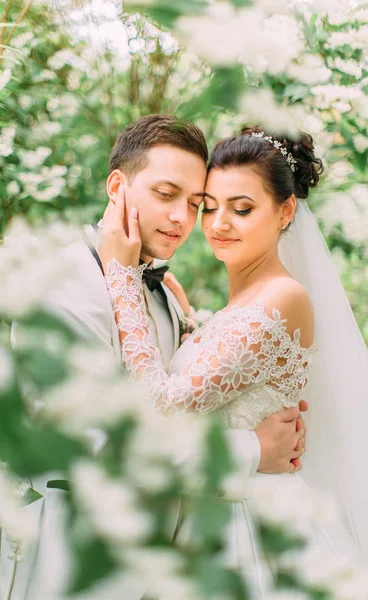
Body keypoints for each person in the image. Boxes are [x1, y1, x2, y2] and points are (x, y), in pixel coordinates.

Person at [0, 116, 308, 600]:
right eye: (166, 195)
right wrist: (252, 449)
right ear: (118, 186)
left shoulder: (156, 288)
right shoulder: (61, 285)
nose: (183, 219)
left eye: (193, 203)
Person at [98, 125, 368, 596]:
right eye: (210, 206)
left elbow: (163, 407)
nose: (218, 224)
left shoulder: (281, 297)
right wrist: (186, 325)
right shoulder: (242, 306)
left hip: (249, 531)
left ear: (285, 211)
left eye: (242, 209)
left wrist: (121, 278)